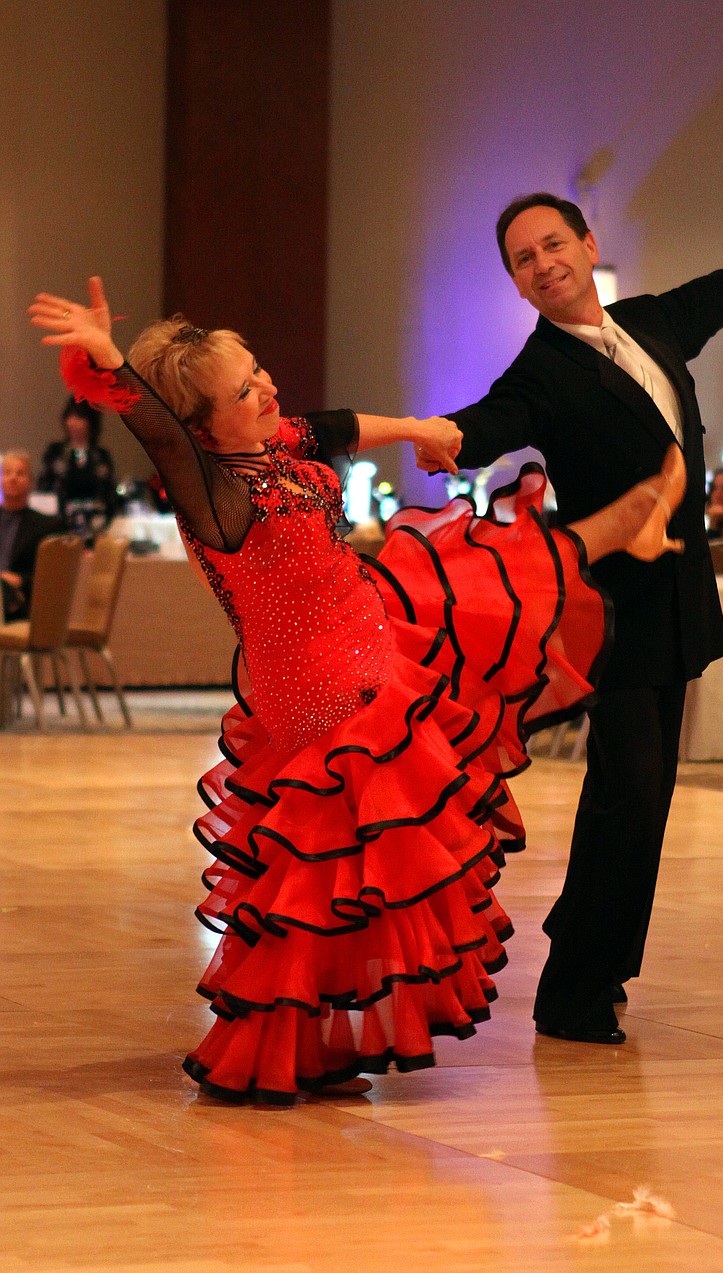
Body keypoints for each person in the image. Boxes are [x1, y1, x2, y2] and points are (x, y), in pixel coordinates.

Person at [30, 276, 682, 1103]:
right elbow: (160, 437)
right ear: (204, 428)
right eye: (244, 390)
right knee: (318, 875)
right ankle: (264, 1047)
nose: (267, 388)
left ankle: (320, 1040)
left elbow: (337, 426)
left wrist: (418, 428)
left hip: (371, 642)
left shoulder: (273, 450)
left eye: (259, 370)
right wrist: (115, 367)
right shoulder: (217, 498)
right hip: (326, 692)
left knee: (350, 868)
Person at [416, 192, 723, 1045]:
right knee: (628, 793)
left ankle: (594, 963)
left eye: (553, 243)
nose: (543, 262)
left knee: (644, 794)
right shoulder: (542, 371)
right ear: (519, 286)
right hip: (613, 607)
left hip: (677, 597)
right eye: (524, 259)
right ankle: (572, 991)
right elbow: (495, 418)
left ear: (588, 244)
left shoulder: (651, 322)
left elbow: (720, 289)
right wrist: (449, 434)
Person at [38, 395, 116, 542]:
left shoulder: (100, 456)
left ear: (90, 422)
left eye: (79, 417)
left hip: (96, 524)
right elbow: (45, 486)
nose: (72, 422)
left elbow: (109, 491)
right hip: (61, 523)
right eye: (69, 417)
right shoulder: (56, 452)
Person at [0, 450, 66, 621]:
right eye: (7, 473)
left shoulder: (47, 526)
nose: (12, 478)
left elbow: (53, 578)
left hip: (21, 598)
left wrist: (20, 580)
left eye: (20, 473)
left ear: (30, 482)